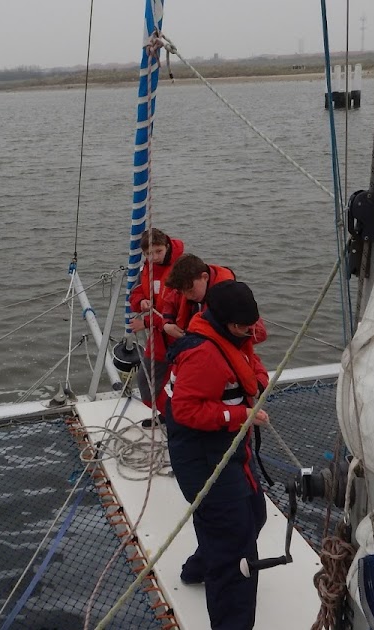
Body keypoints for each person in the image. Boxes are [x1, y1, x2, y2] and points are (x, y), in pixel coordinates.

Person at [163, 280, 270, 630]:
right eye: (242, 326)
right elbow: (185, 411)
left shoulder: (233, 339)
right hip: (205, 458)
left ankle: (198, 569)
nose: (248, 332)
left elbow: (250, 364)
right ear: (225, 322)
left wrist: (258, 380)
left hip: (230, 451)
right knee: (236, 548)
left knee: (254, 515)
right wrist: (242, 415)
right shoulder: (204, 355)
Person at [127, 228, 185, 412]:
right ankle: (171, 417)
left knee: (185, 386)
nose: (154, 257)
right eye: (148, 253)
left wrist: (145, 323)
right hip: (159, 338)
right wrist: (141, 301)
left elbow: (181, 314)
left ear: (167, 247)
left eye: (158, 251)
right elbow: (136, 292)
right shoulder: (146, 269)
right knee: (147, 385)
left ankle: (183, 421)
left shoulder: (181, 270)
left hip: (182, 338)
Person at [163, 254, 266, 345]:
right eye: (182, 292)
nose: (187, 296)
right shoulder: (185, 286)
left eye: (190, 290)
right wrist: (167, 323)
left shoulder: (230, 296)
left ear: (205, 277)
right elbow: (169, 302)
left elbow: (259, 333)